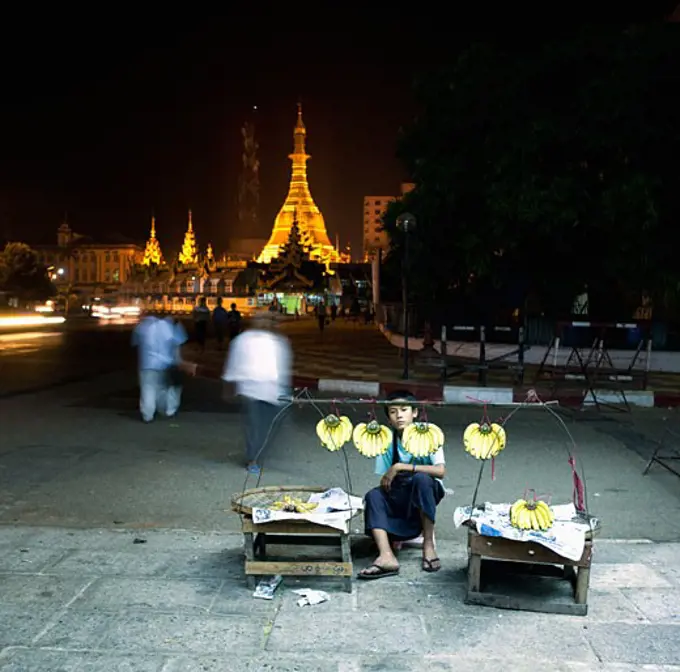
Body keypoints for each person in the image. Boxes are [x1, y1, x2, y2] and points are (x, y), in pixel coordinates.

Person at [358, 390, 446, 580]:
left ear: (414, 413)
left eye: (404, 410)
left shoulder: (429, 433)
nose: (399, 415)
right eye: (392, 411)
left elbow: (440, 472)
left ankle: (428, 545)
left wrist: (401, 466)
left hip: (426, 491)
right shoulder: (386, 439)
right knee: (373, 496)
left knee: (421, 479)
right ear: (388, 418)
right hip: (401, 492)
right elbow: (387, 481)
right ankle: (386, 555)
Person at [222, 312, 292, 475]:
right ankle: (252, 459)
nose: (264, 322)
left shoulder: (278, 342)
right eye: (260, 319)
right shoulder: (243, 341)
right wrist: (228, 386)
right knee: (254, 427)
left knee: (270, 426)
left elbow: (282, 368)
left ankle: (259, 452)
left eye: (267, 319)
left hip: (273, 392)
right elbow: (233, 365)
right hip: (251, 391)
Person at [131, 313, 193, 423]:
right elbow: (178, 344)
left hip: (147, 364)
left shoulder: (143, 326)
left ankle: (147, 415)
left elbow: (135, 342)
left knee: (147, 389)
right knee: (163, 389)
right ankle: (167, 410)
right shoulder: (169, 326)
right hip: (165, 364)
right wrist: (179, 361)